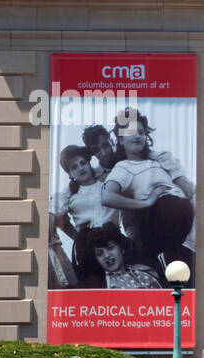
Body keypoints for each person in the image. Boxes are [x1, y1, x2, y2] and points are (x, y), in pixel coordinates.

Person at [100, 107, 195, 271]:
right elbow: (107, 197)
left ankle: (182, 251)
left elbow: (188, 189)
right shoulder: (124, 167)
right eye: (130, 132)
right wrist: (145, 202)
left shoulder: (159, 160)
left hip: (184, 216)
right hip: (159, 219)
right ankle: (170, 256)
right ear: (121, 140)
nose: (137, 135)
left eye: (141, 132)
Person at [76, 223, 164, 289]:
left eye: (110, 248)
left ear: (122, 249)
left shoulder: (144, 271)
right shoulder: (97, 285)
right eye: (100, 253)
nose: (106, 255)